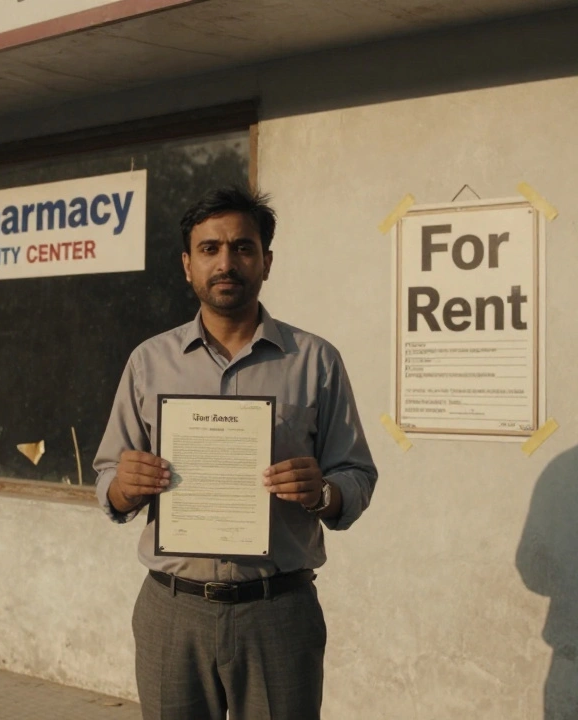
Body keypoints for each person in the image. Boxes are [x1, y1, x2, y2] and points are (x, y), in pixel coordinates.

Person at [93, 186, 378, 720]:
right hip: (171, 611)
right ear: (187, 265)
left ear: (266, 261)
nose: (226, 262)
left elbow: (357, 474)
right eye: (209, 249)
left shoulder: (315, 361)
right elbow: (110, 478)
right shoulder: (148, 362)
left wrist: (323, 493)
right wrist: (123, 487)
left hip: (278, 613)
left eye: (242, 248)